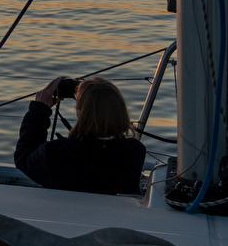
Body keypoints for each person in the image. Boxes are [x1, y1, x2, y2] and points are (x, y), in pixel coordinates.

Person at [14, 75, 147, 194]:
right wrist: (86, 92)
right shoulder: (134, 151)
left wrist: (39, 110)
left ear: (80, 113)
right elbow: (106, 149)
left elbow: (24, 157)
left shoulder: (58, 152)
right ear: (120, 111)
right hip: (113, 219)